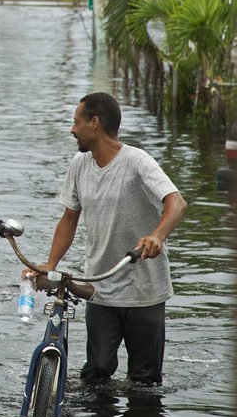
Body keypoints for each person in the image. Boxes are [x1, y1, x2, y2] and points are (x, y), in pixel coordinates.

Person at [34, 92, 186, 385]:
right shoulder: (79, 165)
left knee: (145, 380)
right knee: (97, 372)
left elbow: (176, 202)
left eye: (76, 122)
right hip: (100, 289)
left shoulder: (137, 162)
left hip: (145, 291)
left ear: (94, 122)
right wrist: (50, 265)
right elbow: (69, 219)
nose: (71, 129)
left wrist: (157, 236)